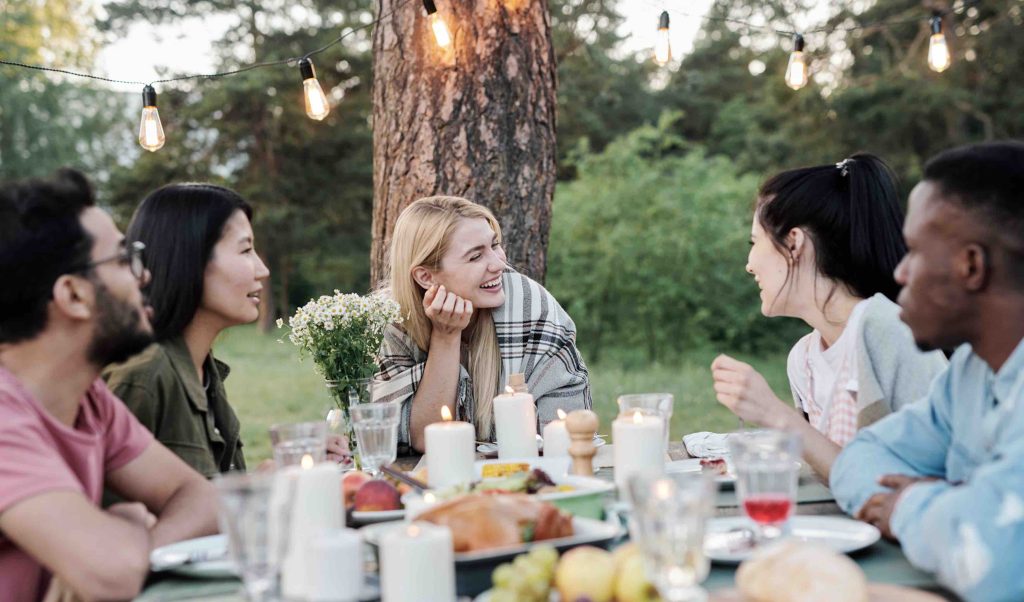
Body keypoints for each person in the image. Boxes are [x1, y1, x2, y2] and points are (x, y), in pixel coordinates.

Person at [0, 169, 219, 600]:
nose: (144, 276)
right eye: (123, 259)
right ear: (74, 296)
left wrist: (140, 546)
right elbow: (111, 574)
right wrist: (129, 522)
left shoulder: (90, 400)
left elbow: (201, 498)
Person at [830, 141, 1024, 602]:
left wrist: (909, 506)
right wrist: (957, 509)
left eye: (913, 251)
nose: (899, 273)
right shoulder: (971, 375)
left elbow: (996, 561)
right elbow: (860, 457)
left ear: (970, 266)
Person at [711, 154, 946, 480]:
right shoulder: (803, 360)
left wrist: (773, 413)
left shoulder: (888, 329)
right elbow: (834, 475)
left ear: (793, 243)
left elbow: (923, 480)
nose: (749, 264)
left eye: (755, 242)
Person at [103, 183, 348, 477]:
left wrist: (283, 469)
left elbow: (214, 501)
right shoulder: (144, 379)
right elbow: (117, 516)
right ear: (189, 259)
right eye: (245, 250)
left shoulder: (204, 371)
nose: (262, 269)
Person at [373, 196, 591, 452]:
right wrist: (446, 336)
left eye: (495, 245)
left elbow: (568, 432)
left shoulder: (529, 305)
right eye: (475, 256)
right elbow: (424, 439)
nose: (499, 264)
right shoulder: (391, 321)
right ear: (426, 277)